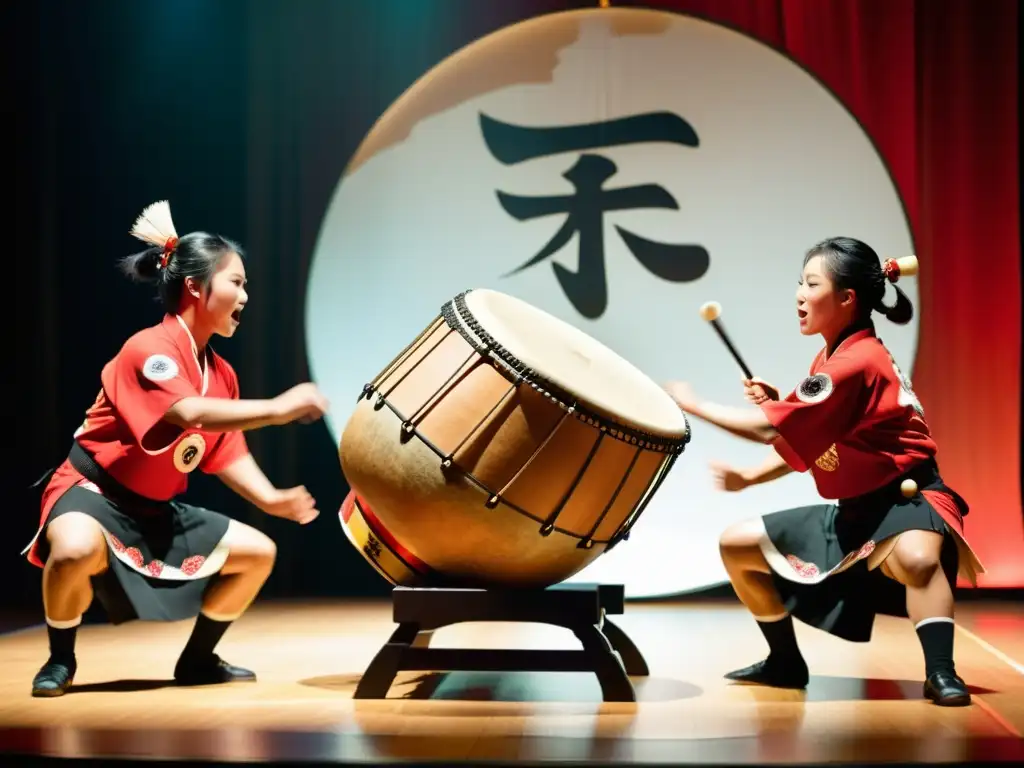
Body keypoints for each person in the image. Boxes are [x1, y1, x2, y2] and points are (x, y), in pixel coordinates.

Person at [23, 200, 331, 697]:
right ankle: (61, 658)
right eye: (237, 282)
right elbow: (188, 413)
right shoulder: (149, 350)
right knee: (76, 548)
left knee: (258, 553)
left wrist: (270, 499)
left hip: (153, 509)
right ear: (195, 287)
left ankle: (197, 660)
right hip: (91, 493)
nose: (245, 296)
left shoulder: (221, 372)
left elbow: (225, 449)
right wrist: (278, 408)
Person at [664, 237, 984, 707]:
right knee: (737, 545)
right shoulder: (834, 359)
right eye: (800, 282)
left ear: (847, 298)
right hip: (854, 513)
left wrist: (694, 405)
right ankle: (784, 663)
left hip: (905, 504)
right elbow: (810, 441)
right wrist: (756, 468)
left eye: (811, 284)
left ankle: (941, 672)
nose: (799, 294)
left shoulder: (855, 362)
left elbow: (767, 430)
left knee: (918, 559)